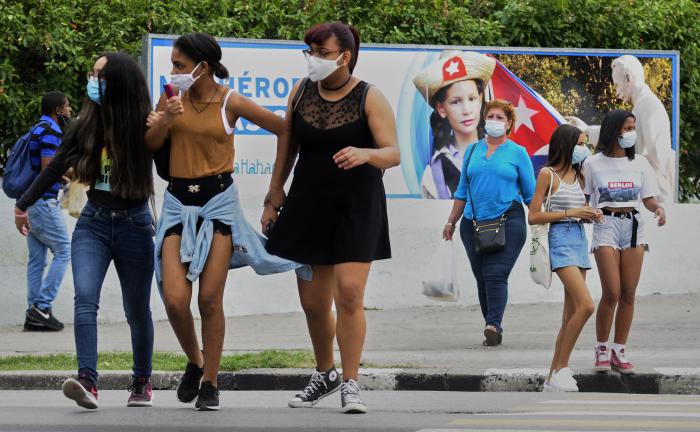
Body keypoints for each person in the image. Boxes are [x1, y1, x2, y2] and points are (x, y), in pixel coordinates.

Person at [145, 32, 306, 412]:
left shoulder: (229, 101)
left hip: (218, 203)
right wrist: (166, 118)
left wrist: (276, 186)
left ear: (202, 67)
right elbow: (150, 143)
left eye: (180, 66)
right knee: (173, 299)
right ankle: (196, 360)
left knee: (209, 299)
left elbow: (284, 128)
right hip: (176, 203)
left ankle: (210, 381)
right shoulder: (171, 97)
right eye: (172, 64)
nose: (173, 72)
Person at [262, 21, 400, 414]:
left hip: (358, 206)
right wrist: (274, 196)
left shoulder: (369, 97)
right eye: (311, 53)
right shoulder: (301, 91)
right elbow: (286, 148)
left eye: (322, 53)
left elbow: (393, 152)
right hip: (308, 205)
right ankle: (325, 373)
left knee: (350, 294)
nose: (314, 60)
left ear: (345, 57)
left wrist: (366, 154)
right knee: (313, 303)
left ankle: (351, 382)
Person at [14, 52, 156, 409]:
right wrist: (23, 203)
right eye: (92, 74)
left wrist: (166, 124)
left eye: (99, 75)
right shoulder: (85, 122)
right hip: (93, 222)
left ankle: (142, 380)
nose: (92, 80)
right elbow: (56, 165)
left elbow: (168, 167)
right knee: (85, 299)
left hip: (135, 225)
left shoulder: (145, 123)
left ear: (119, 82)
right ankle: (88, 381)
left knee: (137, 309)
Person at [443, 99, 536, 346]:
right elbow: (462, 190)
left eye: (500, 118)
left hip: (509, 220)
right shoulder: (472, 151)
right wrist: (451, 221)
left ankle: (493, 324)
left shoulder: (518, 153)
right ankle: (492, 327)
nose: (493, 121)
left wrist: (539, 221)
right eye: (490, 116)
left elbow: (530, 194)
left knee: (496, 273)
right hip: (472, 224)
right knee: (482, 276)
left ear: (509, 124)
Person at [584, 109, 666, 374]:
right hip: (605, 225)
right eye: (627, 128)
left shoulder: (640, 163)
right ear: (613, 130)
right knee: (612, 292)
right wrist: (587, 213)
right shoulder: (593, 163)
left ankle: (619, 350)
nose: (631, 133)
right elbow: (584, 200)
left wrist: (658, 209)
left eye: (633, 128)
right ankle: (601, 349)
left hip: (633, 227)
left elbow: (648, 198)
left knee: (629, 293)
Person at [528, 124, 599, 392]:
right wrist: (571, 213)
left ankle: (551, 378)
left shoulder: (580, 176)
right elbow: (533, 215)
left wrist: (590, 213)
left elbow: (580, 209)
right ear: (565, 145)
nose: (584, 149)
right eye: (580, 144)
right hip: (560, 241)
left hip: (580, 240)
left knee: (569, 316)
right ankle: (563, 369)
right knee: (586, 306)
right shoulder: (548, 174)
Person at [567, 54, 674, 202]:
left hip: (656, 195)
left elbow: (656, 157)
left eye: (617, 84)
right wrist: (587, 130)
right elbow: (626, 139)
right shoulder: (642, 106)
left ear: (628, 78)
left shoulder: (650, 106)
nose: (616, 92)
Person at [412, 50, 496, 199]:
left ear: (481, 99)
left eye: (472, 99)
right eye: (456, 102)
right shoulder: (434, 170)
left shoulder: (500, 153)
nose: (466, 110)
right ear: (441, 109)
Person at [22, 91, 72, 332]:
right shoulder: (51, 132)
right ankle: (42, 306)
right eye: (68, 106)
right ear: (59, 110)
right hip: (43, 200)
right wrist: (70, 175)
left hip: (31, 200)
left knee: (37, 259)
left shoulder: (37, 128)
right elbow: (47, 168)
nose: (70, 110)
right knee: (64, 250)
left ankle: (34, 313)